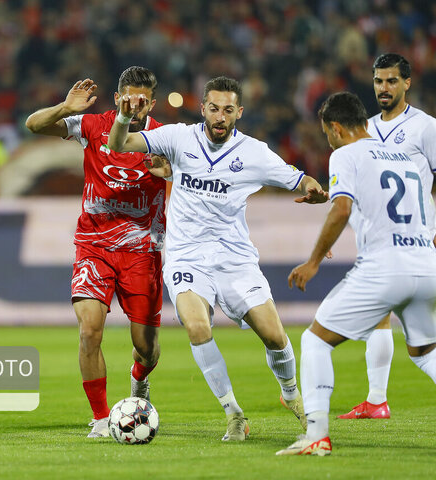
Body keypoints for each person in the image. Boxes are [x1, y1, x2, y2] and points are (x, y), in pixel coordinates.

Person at [276, 92, 436, 456]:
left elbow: (342, 209)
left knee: (315, 341)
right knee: (427, 352)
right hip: (427, 266)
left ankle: (317, 434)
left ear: (335, 128)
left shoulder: (344, 154)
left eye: (327, 134)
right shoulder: (400, 157)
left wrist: (314, 260)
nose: (328, 140)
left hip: (385, 266)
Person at [107, 76, 328, 441]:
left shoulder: (254, 152)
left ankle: (291, 395)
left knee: (274, 336)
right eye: (214, 109)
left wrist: (312, 189)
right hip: (186, 257)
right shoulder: (179, 138)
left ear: (239, 112)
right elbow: (119, 145)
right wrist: (121, 117)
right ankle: (234, 413)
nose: (220, 117)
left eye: (228, 110)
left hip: (234, 259)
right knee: (198, 327)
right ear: (203, 109)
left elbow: (297, 178)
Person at [25, 67, 166, 438]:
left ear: (151, 103)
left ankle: (139, 380)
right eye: (128, 99)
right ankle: (102, 419)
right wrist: (63, 107)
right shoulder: (92, 126)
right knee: (90, 331)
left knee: (146, 349)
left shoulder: (166, 138)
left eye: (142, 101)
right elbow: (33, 125)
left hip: (142, 252)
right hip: (95, 246)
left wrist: (171, 172)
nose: (134, 107)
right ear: (118, 97)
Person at [337, 53, 436, 421]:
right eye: (379, 81)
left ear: (407, 83)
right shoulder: (365, 128)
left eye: (392, 81)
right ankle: (377, 400)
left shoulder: (425, 127)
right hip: (379, 238)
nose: (384, 88)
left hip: (420, 236)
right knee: (379, 316)